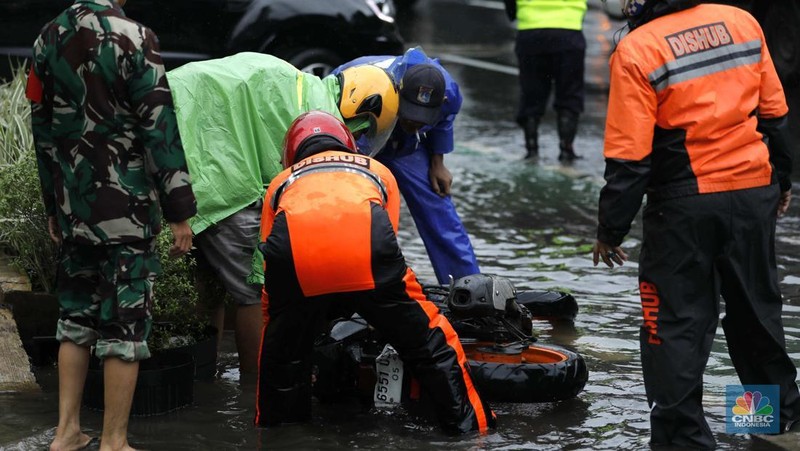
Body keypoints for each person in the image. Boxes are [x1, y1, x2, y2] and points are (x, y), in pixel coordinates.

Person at [592, 0, 800, 448]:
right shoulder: (741, 20)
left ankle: (683, 440)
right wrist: (782, 180)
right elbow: (776, 117)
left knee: (675, 327)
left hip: (683, 207)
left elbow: (629, 158)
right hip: (751, 194)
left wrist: (611, 230)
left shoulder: (637, 49)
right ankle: (767, 425)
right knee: (754, 318)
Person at [254, 111, 496, 434]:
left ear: (293, 152)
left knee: (281, 358)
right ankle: (472, 431)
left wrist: (285, 323)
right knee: (434, 343)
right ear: (346, 143)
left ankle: (276, 433)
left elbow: (270, 263)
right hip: (371, 258)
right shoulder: (378, 171)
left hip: (296, 266)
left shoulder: (279, 184)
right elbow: (389, 238)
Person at [25, 1, 197, 450]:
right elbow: (159, 126)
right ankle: (114, 442)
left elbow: (40, 127)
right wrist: (180, 210)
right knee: (125, 325)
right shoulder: (135, 36)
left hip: (74, 206)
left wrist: (53, 203)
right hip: (127, 210)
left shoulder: (46, 37)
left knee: (75, 316)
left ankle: (66, 433)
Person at [165, 52, 399, 374]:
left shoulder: (296, 81)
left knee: (209, 285)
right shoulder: (318, 115)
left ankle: (204, 375)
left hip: (182, 159)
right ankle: (254, 387)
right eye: (360, 130)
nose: (356, 138)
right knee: (254, 291)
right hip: (223, 182)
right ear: (362, 108)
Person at [333, 47, 481, 285]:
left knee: (439, 207)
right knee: (350, 209)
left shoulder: (449, 92)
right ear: (399, 92)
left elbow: (444, 121)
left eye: (422, 119)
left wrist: (437, 163)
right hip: (359, 133)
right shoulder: (360, 81)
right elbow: (331, 118)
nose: (414, 122)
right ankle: (348, 281)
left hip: (404, 147)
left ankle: (469, 286)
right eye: (411, 115)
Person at [503, 0, 587, 161]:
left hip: (531, 33)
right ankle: (566, 149)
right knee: (570, 94)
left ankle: (532, 149)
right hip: (569, 32)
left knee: (532, 93)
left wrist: (513, 13)